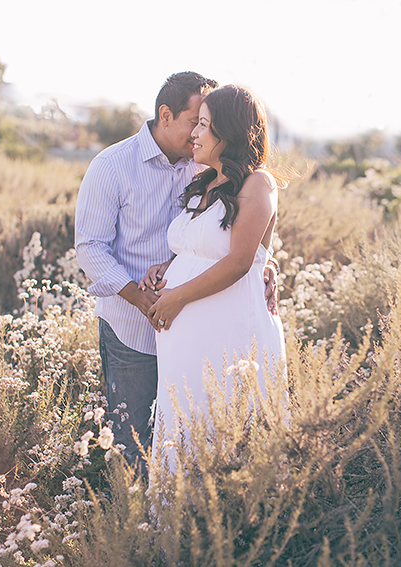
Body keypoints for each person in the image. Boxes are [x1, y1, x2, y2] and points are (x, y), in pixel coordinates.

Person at [75, 72, 280, 474]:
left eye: (206, 123)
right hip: (132, 326)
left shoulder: (206, 167)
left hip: (197, 329)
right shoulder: (113, 165)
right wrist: (141, 295)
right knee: (134, 439)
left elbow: (234, 236)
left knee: (196, 429)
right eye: (195, 121)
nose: (197, 134)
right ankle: (136, 523)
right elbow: (90, 248)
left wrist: (266, 263)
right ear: (165, 115)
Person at [139, 85, 286, 461]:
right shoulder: (204, 182)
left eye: (204, 124)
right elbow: (200, 248)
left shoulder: (258, 183)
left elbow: (239, 260)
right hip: (184, 341)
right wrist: (166, 269)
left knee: (229, 425)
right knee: (184, 422)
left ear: (230, 132)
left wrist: (176, 296)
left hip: (230, 333)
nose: (194, 134)